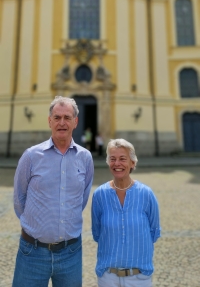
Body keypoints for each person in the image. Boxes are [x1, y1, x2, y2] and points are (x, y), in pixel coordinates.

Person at [13, 96, 94, 287]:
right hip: (32, 252)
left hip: (70, 253)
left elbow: (81, 199)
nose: (62, 123)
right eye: (57, 117)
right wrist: (37, 227)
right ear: (49, 121)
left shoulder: (85, 157)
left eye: (67, 117)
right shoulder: (31, 156)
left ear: (76, 122)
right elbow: (19, 199)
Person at [92, 138, 161, 287]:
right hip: (108, 277)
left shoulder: (146, 194)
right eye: (113, 159)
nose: (117, 163)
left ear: (133, 163)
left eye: (123, 159)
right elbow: (97, 233)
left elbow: (154, 232)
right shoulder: (99, 195)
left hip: (139, 277)